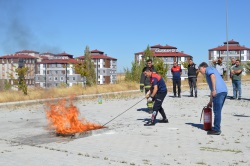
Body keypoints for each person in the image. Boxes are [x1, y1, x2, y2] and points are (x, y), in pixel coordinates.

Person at [198, 62, 227, 135]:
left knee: (217, 111)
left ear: (204, 67)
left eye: (200, 69)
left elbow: (213, 77)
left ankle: (216, 129)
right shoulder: (212, 69)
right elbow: (211, 89)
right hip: (223, 91)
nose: (199, 71)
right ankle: (217, 126)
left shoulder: (208, 69)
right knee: (218, 111)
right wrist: (210, 101)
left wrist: (214, 89)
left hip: (218, 92)